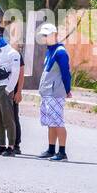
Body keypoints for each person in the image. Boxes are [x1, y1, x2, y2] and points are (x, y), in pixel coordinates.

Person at [37, 22, 72, 160]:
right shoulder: (50, 51)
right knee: (50, 122)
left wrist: (67, 90)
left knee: (57, 122)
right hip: (47, 92)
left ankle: (62, 152)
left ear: (54, 35)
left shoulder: (61, 52)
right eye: (43, 35)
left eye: (46, 35)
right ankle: (51, 149)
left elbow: (66, 73)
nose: (44, 38)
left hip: (55, 92)